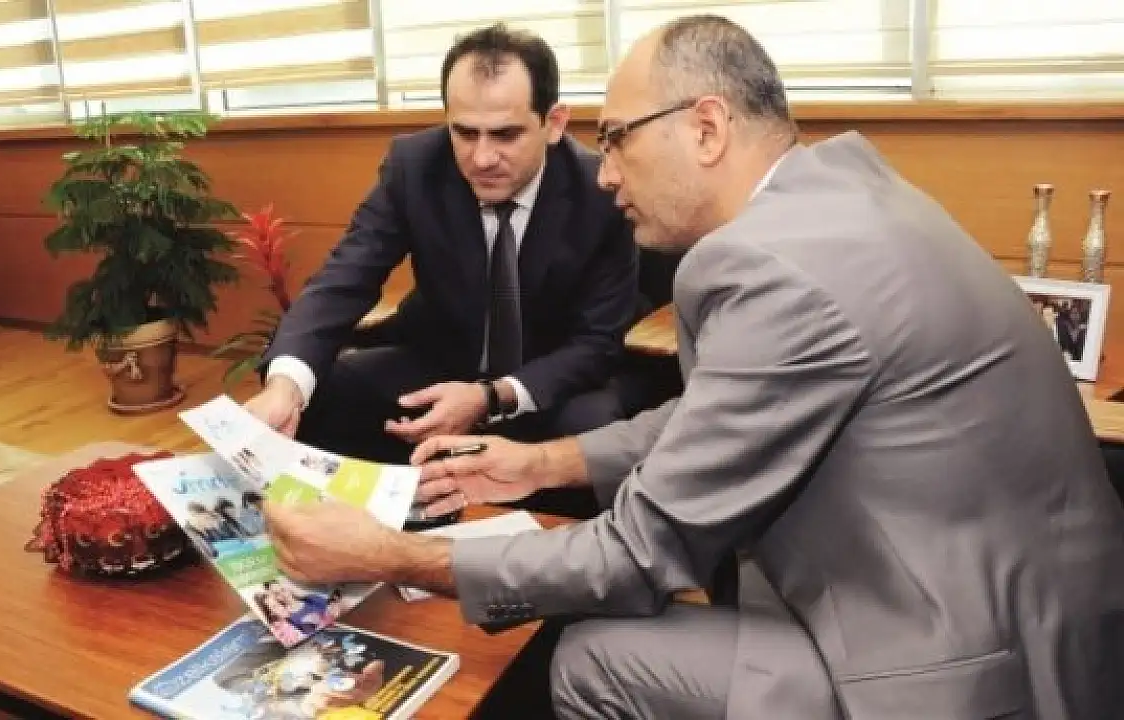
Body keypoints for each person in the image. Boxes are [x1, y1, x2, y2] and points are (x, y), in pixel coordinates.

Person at [254, 14, 1124, 720]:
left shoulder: (770, 266)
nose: (604, 174)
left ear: (706, 128)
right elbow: (734, 410)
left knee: (595, 656)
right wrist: (541, 463)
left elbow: (636, 555)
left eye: (616, 140)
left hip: (963, 662)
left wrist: (393, 554)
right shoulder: (846, 197)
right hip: (1029, 608)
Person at [243, 24, 641, 510]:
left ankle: (549, 548)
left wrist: (491, 397)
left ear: (554, 123)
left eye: (506, 134)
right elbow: (344, 278)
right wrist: (285, 387)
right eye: (464, 132)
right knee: (314, 390)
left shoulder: (600, 191)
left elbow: (596, 343)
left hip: (547, 381)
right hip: (439, 362)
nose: (482, 157)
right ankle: (369, 527)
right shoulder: (415, 166)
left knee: (595, 431)